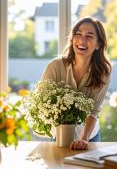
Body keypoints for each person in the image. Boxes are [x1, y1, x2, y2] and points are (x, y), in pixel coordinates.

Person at [40, 17, 112, 150]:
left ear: (98, 45)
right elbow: (43, 102)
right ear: (72, 38)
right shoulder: (55, 66)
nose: (82, 40)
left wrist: (83, 139)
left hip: (89, 136)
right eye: (78, 34)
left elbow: (94, 110)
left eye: (89, 36)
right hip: (60, 134)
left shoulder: (103, 72)